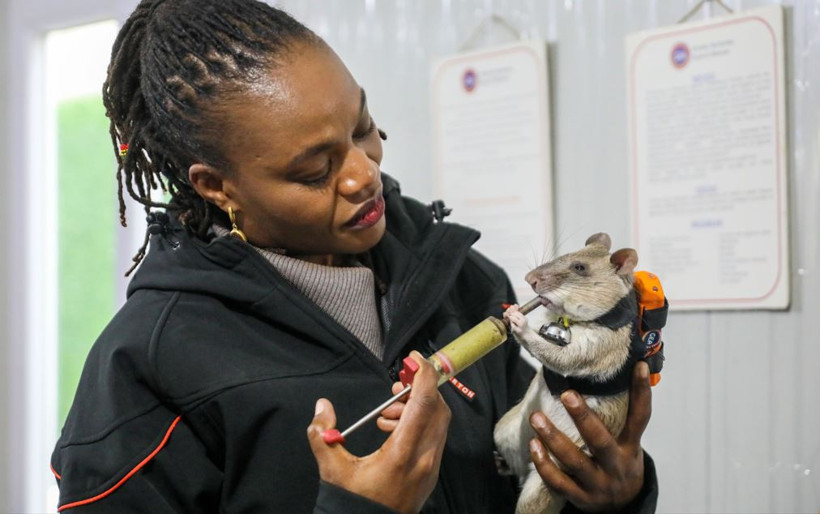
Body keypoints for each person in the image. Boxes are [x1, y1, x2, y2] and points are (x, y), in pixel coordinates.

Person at [50, 0, 658, 512]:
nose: (365, 174)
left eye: (363, 128)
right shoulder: (149, 365)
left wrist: (610, 494)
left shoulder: (462, 281)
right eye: (316, 169)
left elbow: (529, 474)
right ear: (217, 186)